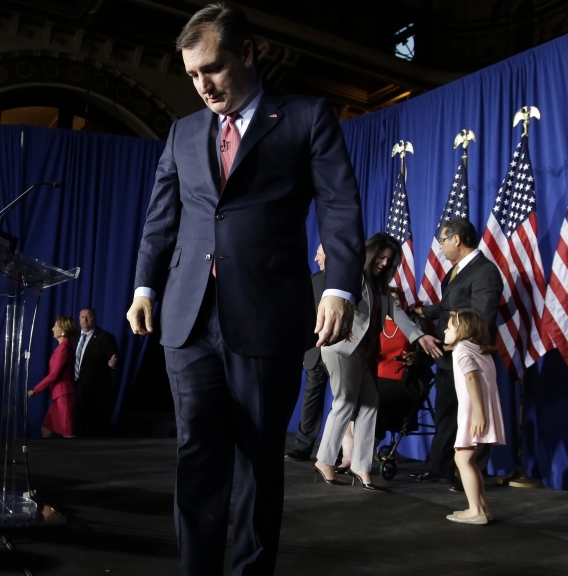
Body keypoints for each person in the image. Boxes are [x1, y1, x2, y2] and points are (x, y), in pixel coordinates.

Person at [124, 4, 365, 574]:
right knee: (197, 456)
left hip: (265, 315)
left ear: (249, 54)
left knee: (258, 461)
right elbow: (161, 219)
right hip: (187, 318)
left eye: (213, 69)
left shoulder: (306, 117)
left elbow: (339, 204)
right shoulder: (183, 132)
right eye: (192, 76)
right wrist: (144, 287)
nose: (203, 86)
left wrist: (340, 288)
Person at [314, 233, 427, 491]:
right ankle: (324, 461)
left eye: (389, 260)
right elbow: (335, 300)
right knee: (345, 402)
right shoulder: (352, 276)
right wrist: (342, 324)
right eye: (381, 257)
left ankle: (361, 466)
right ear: (370, 254)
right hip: (341, 348)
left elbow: (398, 314)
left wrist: (421, 338)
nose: (385, 263)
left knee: (370, 406)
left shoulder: (381, 289)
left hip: (365, 352)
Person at [410, 218, 503, 488]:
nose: (440, 246)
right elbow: (450, 306)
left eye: (442, 240)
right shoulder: (459, 270)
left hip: (468, 356)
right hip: (447, 356)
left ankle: (471, 475)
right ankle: (440, 467)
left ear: (457, 239)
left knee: (474, 413)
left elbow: (482, 318)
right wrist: (422, 311)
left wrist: (456, 342)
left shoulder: (484, 271)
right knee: (447, 412)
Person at [443, 308, 505, 525]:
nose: (444, 330)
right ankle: (482, 507)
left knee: (462, 458)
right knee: (468, 459)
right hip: (481, 409)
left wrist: (478, 414)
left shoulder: (461, 349)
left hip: (474, 410)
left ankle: (475, 509)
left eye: (449, 327)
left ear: (462, 330)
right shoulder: (480, 349)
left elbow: (472, 380)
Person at [285, 244, 330, 462]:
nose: (315, 258)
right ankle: (303, 448)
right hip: (314, 351)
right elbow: (303, 315)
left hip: (343, 351)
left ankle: (341, 453)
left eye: (319, 254)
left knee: (345, 402)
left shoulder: (351, 281)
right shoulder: (313, 281)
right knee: (311, 398)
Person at [28, 315, 78, 438]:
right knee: (46, 429)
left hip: (64, 396)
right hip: (59, 396)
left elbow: (54, 375)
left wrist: (35, 390)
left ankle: (72, 457)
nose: (52, 328)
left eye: (56, 326)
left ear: (63, 331)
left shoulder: (64, 349)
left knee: (68, 435)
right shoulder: (64, 347)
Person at [73, 307, 119, 436]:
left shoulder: (104, 336)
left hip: (95, 391)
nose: (85, 320)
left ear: (95, 319)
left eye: (89, 317)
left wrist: (113, 363)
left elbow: (113, 356)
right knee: (77, 426)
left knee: (96, 429)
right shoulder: (74, 337)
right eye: (82, 317)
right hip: (75, 388)